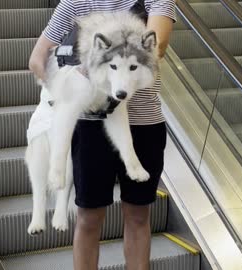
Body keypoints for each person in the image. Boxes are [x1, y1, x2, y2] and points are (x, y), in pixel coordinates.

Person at [28, 1, 175, 269]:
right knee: (88, 217)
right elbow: (37, 58)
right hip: (89, 125)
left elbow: (159, 43)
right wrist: (66, 86)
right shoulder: (75, 2)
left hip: (144, 124)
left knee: (139, 214)